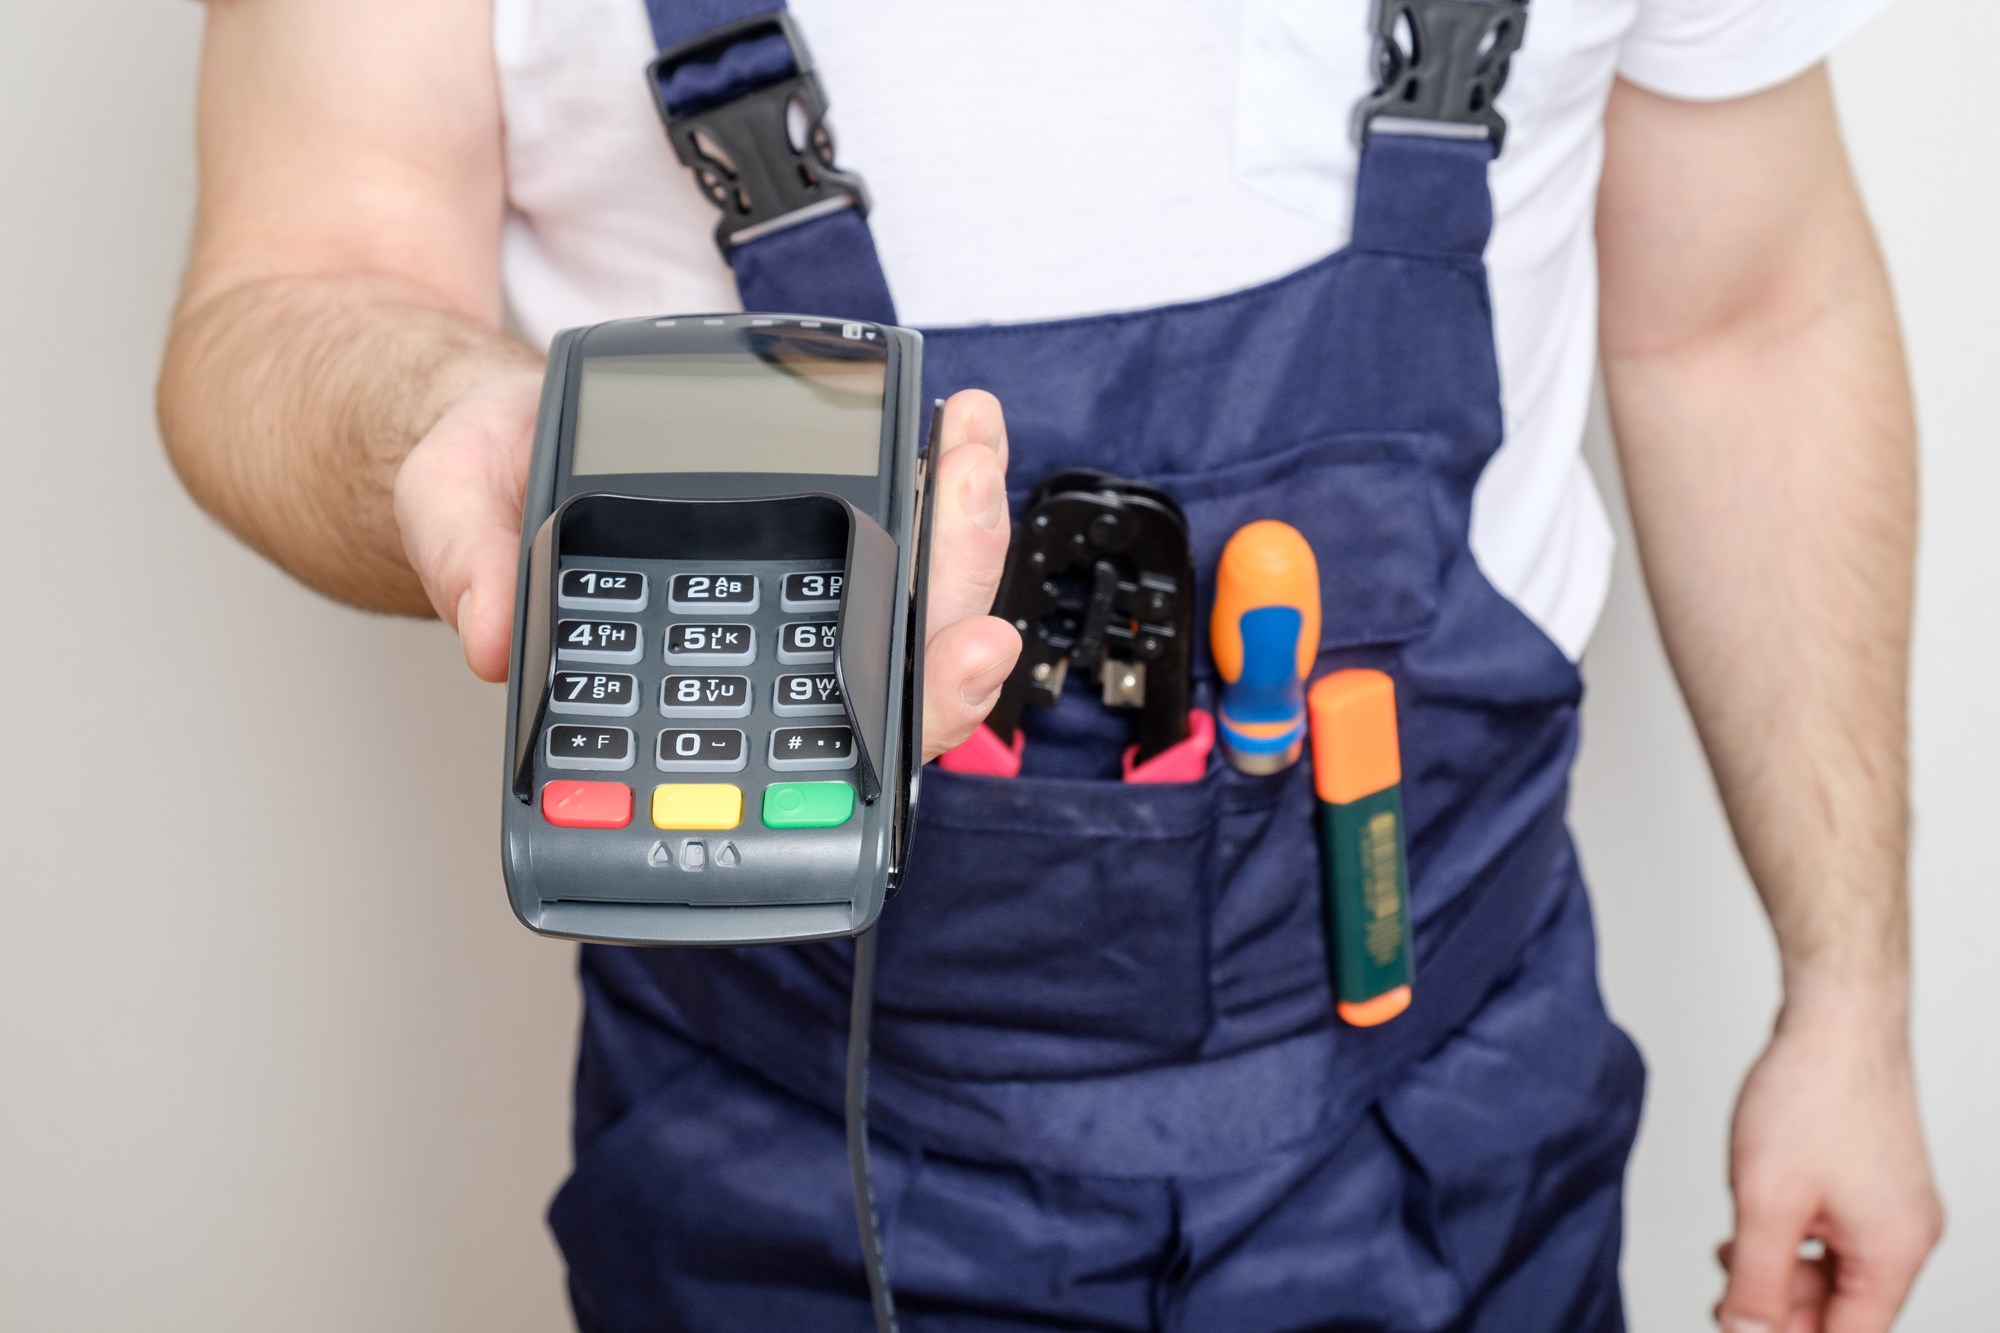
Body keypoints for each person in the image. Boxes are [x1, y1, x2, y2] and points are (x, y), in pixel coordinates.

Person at [158, 0, 1943, 1328]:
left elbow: (1749, 315)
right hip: (790, 1167)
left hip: (1456, 1119)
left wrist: (1851, 994)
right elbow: (283, 291)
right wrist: (453, 419)